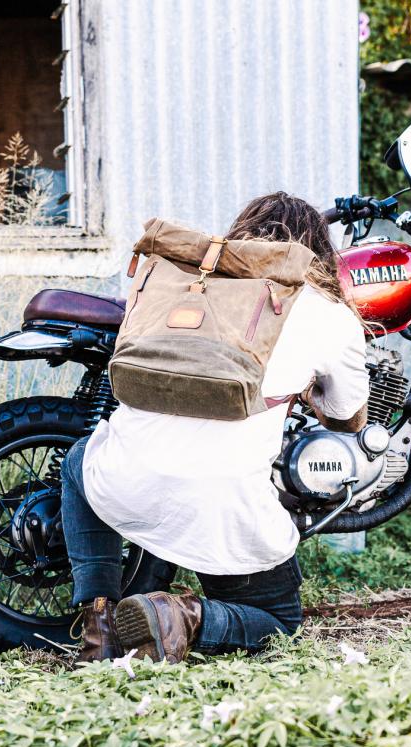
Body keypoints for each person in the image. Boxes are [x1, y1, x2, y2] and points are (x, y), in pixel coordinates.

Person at [61, 192, 369, 663]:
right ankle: (179, 618)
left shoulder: (186, 282)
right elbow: (348, 415)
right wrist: (308, 393)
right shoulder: (327, 312)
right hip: (223, 507)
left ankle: (99, 620)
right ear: (317, 250)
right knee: (279, 622)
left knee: (77, 463)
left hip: (125, 479)